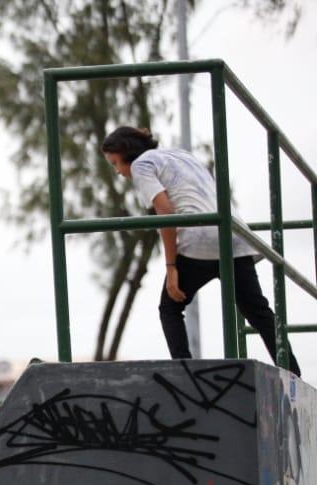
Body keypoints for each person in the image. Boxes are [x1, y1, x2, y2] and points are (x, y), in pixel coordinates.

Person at [101, 126, 300, 376]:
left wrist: (171, 266)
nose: (118, 172)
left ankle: (185, 378)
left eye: (116, 163)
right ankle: (293, 375)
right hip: (233, 236)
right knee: (258, 311)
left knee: (170, 308)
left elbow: (165, 211)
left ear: (126, 153)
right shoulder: (181, 155)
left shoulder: (141, 165)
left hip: (199, 240)